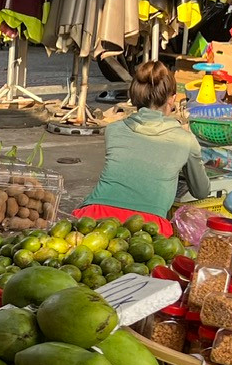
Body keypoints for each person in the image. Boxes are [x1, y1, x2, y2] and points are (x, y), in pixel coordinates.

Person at [75, 61, 209, 237]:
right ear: (172, 99)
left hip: (93, 218)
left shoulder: (113, 130)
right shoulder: (185, 140)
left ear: (134, 96)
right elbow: (201, 191)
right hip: (147, 227)